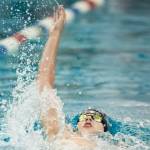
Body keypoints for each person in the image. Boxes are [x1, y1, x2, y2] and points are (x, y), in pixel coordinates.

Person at [37, 6, 108, 149]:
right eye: (83, 117)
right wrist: (55, 33)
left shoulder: (117, 146)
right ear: (77, 125)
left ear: (104, 128)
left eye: (96, 117)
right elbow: (44, 84)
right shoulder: (61, 134)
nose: (88, 118)